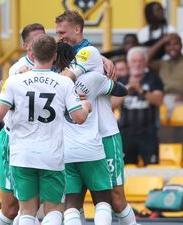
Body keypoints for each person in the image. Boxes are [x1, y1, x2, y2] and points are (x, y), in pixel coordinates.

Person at [0, 34, 91, 225]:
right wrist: (87, 106)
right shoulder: (64, 83)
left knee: (27, 212)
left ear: (32, 53)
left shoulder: (14, 81)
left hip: (22, 155)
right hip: (51, 155)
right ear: (55, 55)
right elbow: (79, 118)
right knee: (54, 210)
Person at [55, 10, 137, 225]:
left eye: (63, 32)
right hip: (77, 137)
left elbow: (67, 78)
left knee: (116, 199)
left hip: (105, 135)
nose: (60, 37)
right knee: (75, 201)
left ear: (77, 29)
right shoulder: (67, 59)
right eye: (57, 33)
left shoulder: (87, 53)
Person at [0, 23, 45, 225]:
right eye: (35, 41)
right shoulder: (18, 71)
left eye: (43, 38)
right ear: (25, 46)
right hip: (14, 142)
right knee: (12, 209)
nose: (41, 43)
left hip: (39, 143)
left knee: (32, 207)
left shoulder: (51, 63)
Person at [112, 47, 164, 166]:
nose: (138, 64)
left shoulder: (154, 79)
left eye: (140, 61)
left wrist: (141, 91)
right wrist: (126, 90)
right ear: (129, 63)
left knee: (152, 169)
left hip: (149, 134)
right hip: (125, 134)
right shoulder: (121, 81)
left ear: (145, 62)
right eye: (134, 61)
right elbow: (111, 105)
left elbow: (159, 101)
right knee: (125, 171)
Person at [148, 33, 183, 114]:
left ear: (181, 46)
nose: (172, 48)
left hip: (182, 100)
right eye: (168, 45)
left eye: (175, 44)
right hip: (163, 99)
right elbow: (144, 59)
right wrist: (162, 41)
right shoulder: (162, 63)